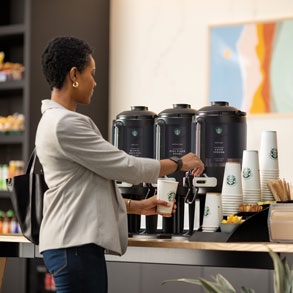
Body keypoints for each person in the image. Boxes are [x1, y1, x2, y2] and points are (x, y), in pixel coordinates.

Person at [36, 36, 204, 293]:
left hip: (71, 245)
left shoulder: (53, 121)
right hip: (74, 246)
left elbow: (83, 189)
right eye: (91, 73)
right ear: (74, 75)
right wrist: (178, 162)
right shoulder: (65, 124)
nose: (95, 81)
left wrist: (136, 206)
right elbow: (126, 168)